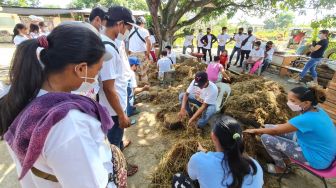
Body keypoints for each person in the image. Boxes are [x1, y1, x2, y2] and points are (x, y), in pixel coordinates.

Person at [1, 22, 127, 187]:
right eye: (98, 70)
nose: (97, 76)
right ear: (81, 69)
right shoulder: (71, 125)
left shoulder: (19, 95)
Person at [245, 86, 336, 174]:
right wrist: (266, 128)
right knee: (268, 127)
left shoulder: (306, 119)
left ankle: (280, 167)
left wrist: (256, 131)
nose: (289, 103)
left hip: (317, 159)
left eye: (292, 101)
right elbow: (283, 127)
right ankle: (287, 159)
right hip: (317, 147)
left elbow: (276, 131)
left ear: (306, 103)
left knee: (266, 138)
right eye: (289, 99)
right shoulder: (317, 110)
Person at [98, 6, 138, 176]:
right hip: (113, 109)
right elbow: (108, 87)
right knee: (113, 142)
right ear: (120, 24)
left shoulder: (111, 43)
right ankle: (118, 170)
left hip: (115, 104)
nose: (128, 32)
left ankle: (120, 153)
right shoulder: (108, 49)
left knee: (117, 137)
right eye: (128, 28)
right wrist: (121, 114)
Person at [173, 115, 263, 188]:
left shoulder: (198, 160)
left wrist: (202, 155)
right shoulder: (255, 166)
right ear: (240, 137)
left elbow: (192, 176)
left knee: (178, 178)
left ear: (213, 136)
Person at [128, 16, 151, 82]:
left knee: (134, 72)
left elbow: (126, 42)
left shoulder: (130, 30)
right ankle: (144, 89)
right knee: (143, 72)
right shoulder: (144, 31)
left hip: (132, 54)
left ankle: (135, 89)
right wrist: (147, 54)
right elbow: (149, 43)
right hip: (141, 54)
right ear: (143, 23)